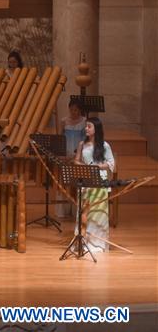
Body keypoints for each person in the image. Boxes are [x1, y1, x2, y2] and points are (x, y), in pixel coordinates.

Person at [74, 117, 115, 253]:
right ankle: (83, 241)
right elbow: (76, 161)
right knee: (84, 211)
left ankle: (97, 242)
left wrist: (98, 167)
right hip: (86, 179)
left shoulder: (104, 145)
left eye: (89, 126)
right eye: (86, 126)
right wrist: (86, 167)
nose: (86, 128)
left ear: (96, 129)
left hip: (100, 180)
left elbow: (111, 164)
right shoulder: (81, 144)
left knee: (97, 213)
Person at [56, 98, 87, 218]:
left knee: (76, 182)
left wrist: (77, 155)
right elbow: (59, 139)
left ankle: (76, 211)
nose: (74, 112)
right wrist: (63, 155)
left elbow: (85, 141)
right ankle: (63, 211)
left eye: (77, 110)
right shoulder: (63, 121)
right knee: (64, 181)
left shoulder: (85, 122)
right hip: (65, 155)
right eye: (72, 110)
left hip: (79, 156)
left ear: (80, 110)